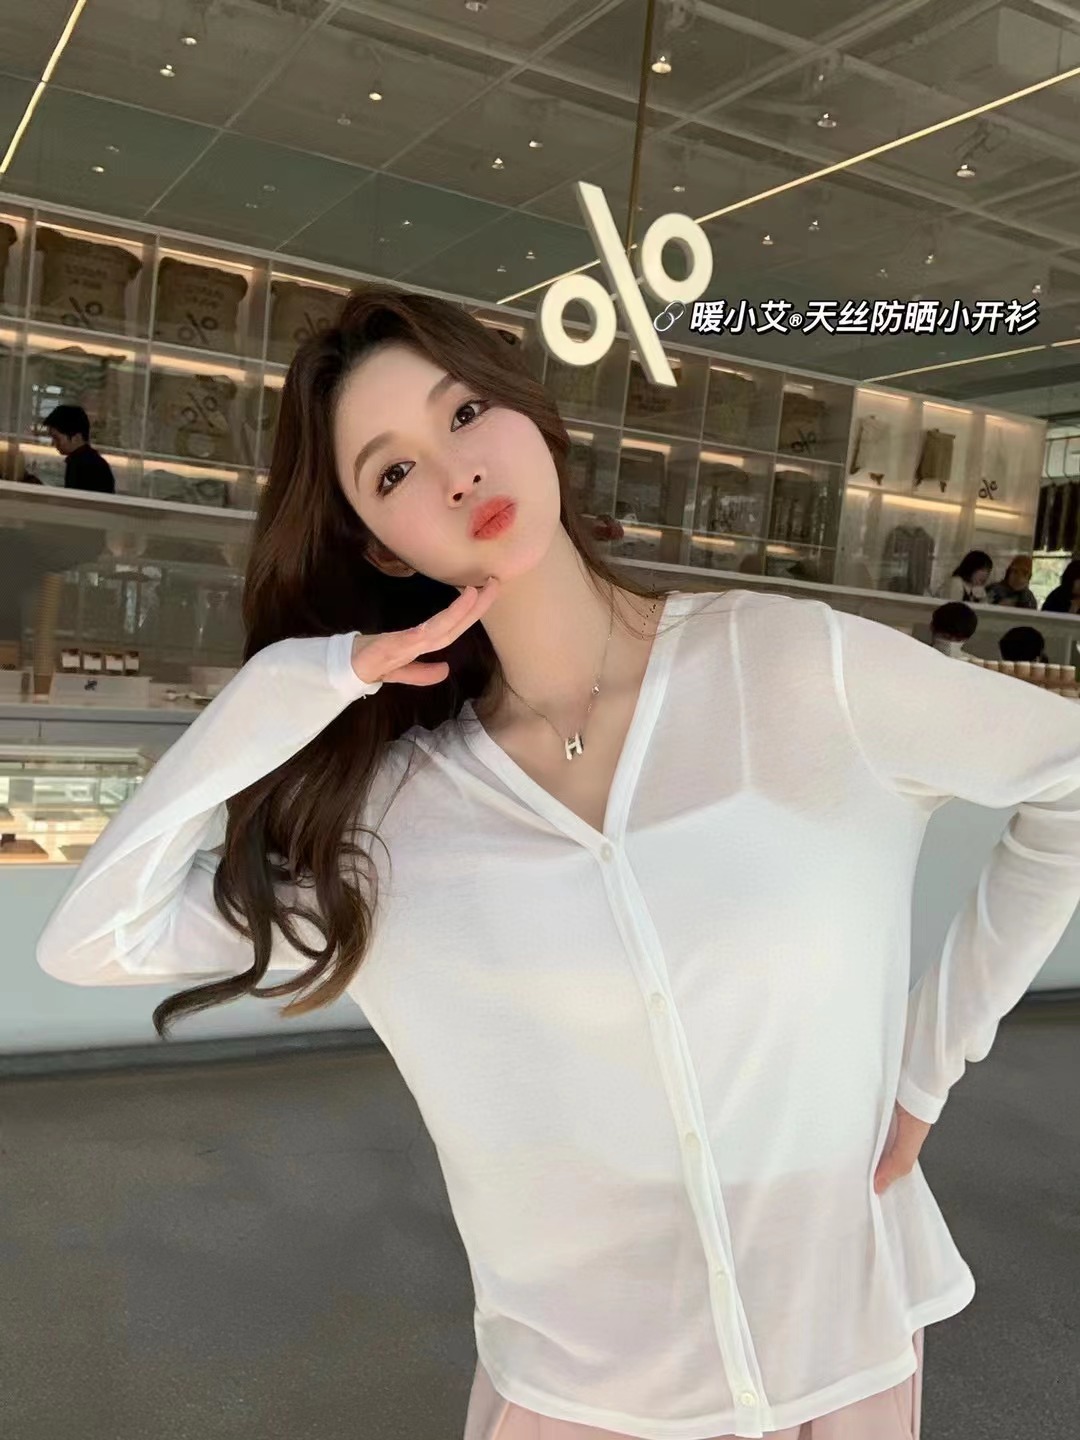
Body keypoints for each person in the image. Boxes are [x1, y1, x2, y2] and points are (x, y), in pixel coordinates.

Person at [35, 285, 1080, 1440]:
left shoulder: (794, 668)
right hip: (585, 1394)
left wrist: (928, 1068)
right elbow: (95, 939)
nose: (456, 473)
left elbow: (1069, 779)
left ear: (533, 419)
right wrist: (295, 684)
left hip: (838, 1350)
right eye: (394, 471)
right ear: (379, 543)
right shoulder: (394, 823)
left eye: (465, 413)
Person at [43, 404, 116, 494]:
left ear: (76, 437)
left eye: (56, 438)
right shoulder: (87, 462)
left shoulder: (87, 466)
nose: (53, 443)